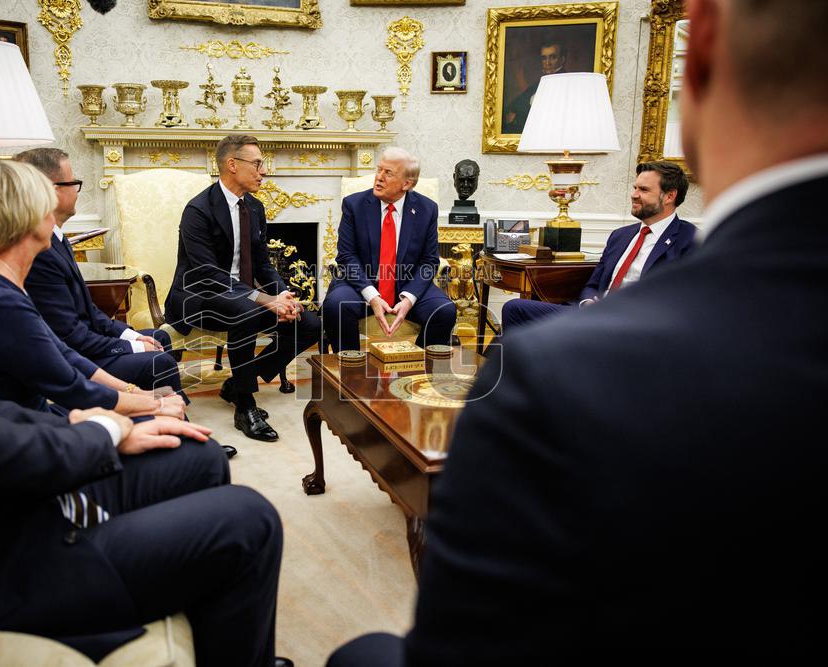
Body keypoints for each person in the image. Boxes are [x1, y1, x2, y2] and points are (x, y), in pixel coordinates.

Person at [328, 0, 828, 661]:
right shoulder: (360, 206)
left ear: (698, 50)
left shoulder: (559, 377)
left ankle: (440, 388)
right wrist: (375, 295)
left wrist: (407, 298)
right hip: (370, 286)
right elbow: (353, 258)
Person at [0, 108, 292, 667]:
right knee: (251, 517)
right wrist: (103, 427)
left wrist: (84, 420)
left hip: (1, 511)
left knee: (194, 453)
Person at [0, 160, 177, 420]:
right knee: (193, 451)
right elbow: (70, 385)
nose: (54, 218)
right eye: (46, 207)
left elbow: (64, 357)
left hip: (32, 419)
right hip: (19, 438)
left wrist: (137, 395)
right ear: (25, 218)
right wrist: (153, 405)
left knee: (172, 428)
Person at [165, 134, 321, 442]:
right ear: (232, 165)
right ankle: (245, 404)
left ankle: (237, 384)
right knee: (246, 312)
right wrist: (263, 299)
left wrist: (281, 296)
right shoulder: (198, 210)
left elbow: (263, 264)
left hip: (245, 298)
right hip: (199, 297)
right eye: (258, 164)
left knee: (310, 324)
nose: (264, 172)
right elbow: (207, 274)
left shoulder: (255, 207)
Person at [15, 148, 184, 398]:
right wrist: (130, 346)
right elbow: (69, 336)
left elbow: (90, 310)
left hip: (85, 345)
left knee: (158, 337)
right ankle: (168, 420)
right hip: (73, 361)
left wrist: (129, 335)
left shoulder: (57, 239)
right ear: (51, 190)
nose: (76, 190)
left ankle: (163, 415)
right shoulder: (41, 252)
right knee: (159, 361)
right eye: (73, 182)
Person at [500, 161, 695, 333]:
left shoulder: (689, 240)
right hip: (591, 315)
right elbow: (593, 284)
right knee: (515, 309)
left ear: (669, 196)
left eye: (643, 190)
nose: (634, 195)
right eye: (634, 188)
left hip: (635, 325)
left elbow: (681, 302)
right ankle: (504, 374)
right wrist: (587, 303)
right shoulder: (621, 235)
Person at [322, 147, 456, 352]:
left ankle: (418, 372)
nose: (379, 177)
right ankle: (351, 374)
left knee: (444, 311)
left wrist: (409, 299)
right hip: (361, 284)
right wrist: (372, 296)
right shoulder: (354, 204)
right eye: (379, 170)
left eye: (388, 173)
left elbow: (429, 261)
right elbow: (347, 256)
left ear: (407, 183)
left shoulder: (427, 209)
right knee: (336, 305)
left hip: (408, 283)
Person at [502, 40, 566, 134]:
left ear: (562, 60)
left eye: (552, 57)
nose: (547, 63)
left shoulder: (565, 83)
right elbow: (511, 110)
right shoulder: (540, 83)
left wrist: (517, 117)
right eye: (544, 58)